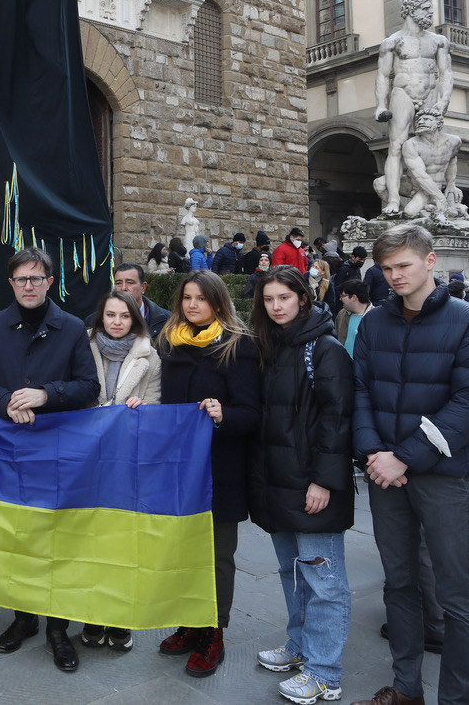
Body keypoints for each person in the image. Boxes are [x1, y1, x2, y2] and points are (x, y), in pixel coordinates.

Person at [351, 224, 469, 705]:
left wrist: (401, 458)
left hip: (443, 477)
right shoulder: (374, 323)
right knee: (399, 584)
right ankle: (407, 688)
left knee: (455, 594)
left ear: (430, 261)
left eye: (404, 266)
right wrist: (374, 452)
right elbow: (362, 392)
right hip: (384, 473)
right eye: (386, 268)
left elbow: (467, 406)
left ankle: (456, 700)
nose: (394, 276)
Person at [0, 247, 99, 673]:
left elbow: (88, 387)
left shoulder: (74, 328)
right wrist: (5, 401)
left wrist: (46, 394)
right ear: (10, 284)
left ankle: (58, 628)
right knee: (17, 538)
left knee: (58, 540)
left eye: (36, 279)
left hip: (58, 453)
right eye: (21, 279)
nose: (28, 286)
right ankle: (23, 618)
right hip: (8, 452)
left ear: (50, 282)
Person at [249, 266, 354, 705]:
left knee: (325, 582)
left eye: (284, 299)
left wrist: (324, 483)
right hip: (278, 483)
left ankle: (324, 672)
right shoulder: (271, 346)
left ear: (303, 299)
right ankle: (299, 648)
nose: (276, 307)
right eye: (269, 299)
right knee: (293, 574)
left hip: (312, 485)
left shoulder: (325, 349)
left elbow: (337, 419)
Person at [155, 270, 261, 678]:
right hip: (179, 472)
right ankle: (190, 623)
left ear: (218, 302)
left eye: (201, 298)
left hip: (220, 471)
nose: (193, 305)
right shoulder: (172, 345)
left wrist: (223, 414)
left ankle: (214, 632)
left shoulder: (239, 348)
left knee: (217, 557)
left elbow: (252, 414)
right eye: (187, 298)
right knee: (184, 552)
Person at [79, 288, 161, 654]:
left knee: (123, 542)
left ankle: (120, 618)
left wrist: (143, 406)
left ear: (135, 319)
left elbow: (157, 403)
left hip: (128, 460)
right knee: (89, 539)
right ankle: (92, 615)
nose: (116, 322)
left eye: (124, 316)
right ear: (101, 317)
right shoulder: (83, 348)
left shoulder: (150, 356)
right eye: (110, 315)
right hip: (89, 460)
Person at [373, 0, 454, 217]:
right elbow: (383, 75)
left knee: (431, 145)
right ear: (411, 10)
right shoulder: (393, 41)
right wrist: (381, 105)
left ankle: (430, 195)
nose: (430, 13)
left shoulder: (438, 41)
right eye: (426, 9)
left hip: (429, 94)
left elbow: (446, 73)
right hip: (403, 93)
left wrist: (443, 100)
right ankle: (393, 199)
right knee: (396, 146)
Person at [85, 262, 170, 340]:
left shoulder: (167, 321)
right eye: (118, 283)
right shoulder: (93, 321)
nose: (123, 288)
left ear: (143, 287)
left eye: (130, 282)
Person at [337, 280, 370, 357]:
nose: (340, 299)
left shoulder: (374, 317)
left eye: (343, 296)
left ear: (354, 297)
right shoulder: (342, 314)